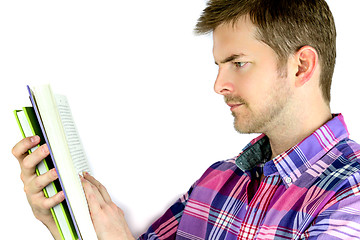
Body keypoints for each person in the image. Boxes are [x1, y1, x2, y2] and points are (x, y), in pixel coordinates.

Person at [12, 0, 360, 239]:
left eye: (238, 63)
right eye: (219, 65)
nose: (219, 85)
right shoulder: (217, 181)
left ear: (301, 66)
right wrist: (61, 219)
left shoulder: (350, 196)